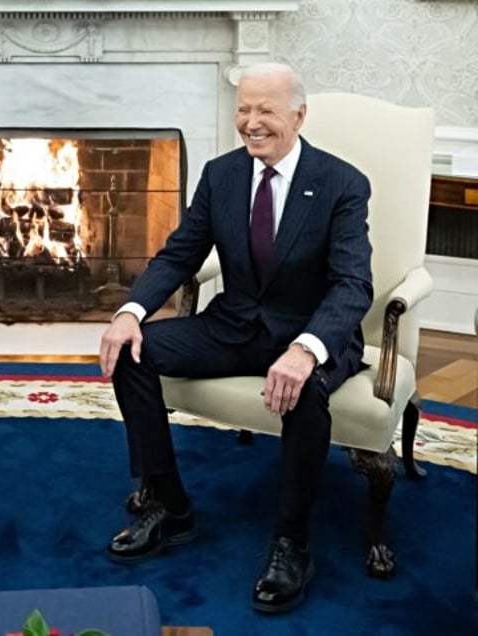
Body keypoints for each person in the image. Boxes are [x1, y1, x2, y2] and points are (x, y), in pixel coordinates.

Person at [98, 62, 372, 614]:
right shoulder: (222, 174)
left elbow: (352, 282)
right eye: (243, 109)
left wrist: (305, 349)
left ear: (298, 115)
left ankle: (293, 541)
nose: (251, 122)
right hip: (236, 326)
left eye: (265, 110)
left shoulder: (342, 183)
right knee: (132, 354)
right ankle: (170, 506)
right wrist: (130, 312)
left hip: (312, 334)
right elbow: (180, 253)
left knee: (309, 390)